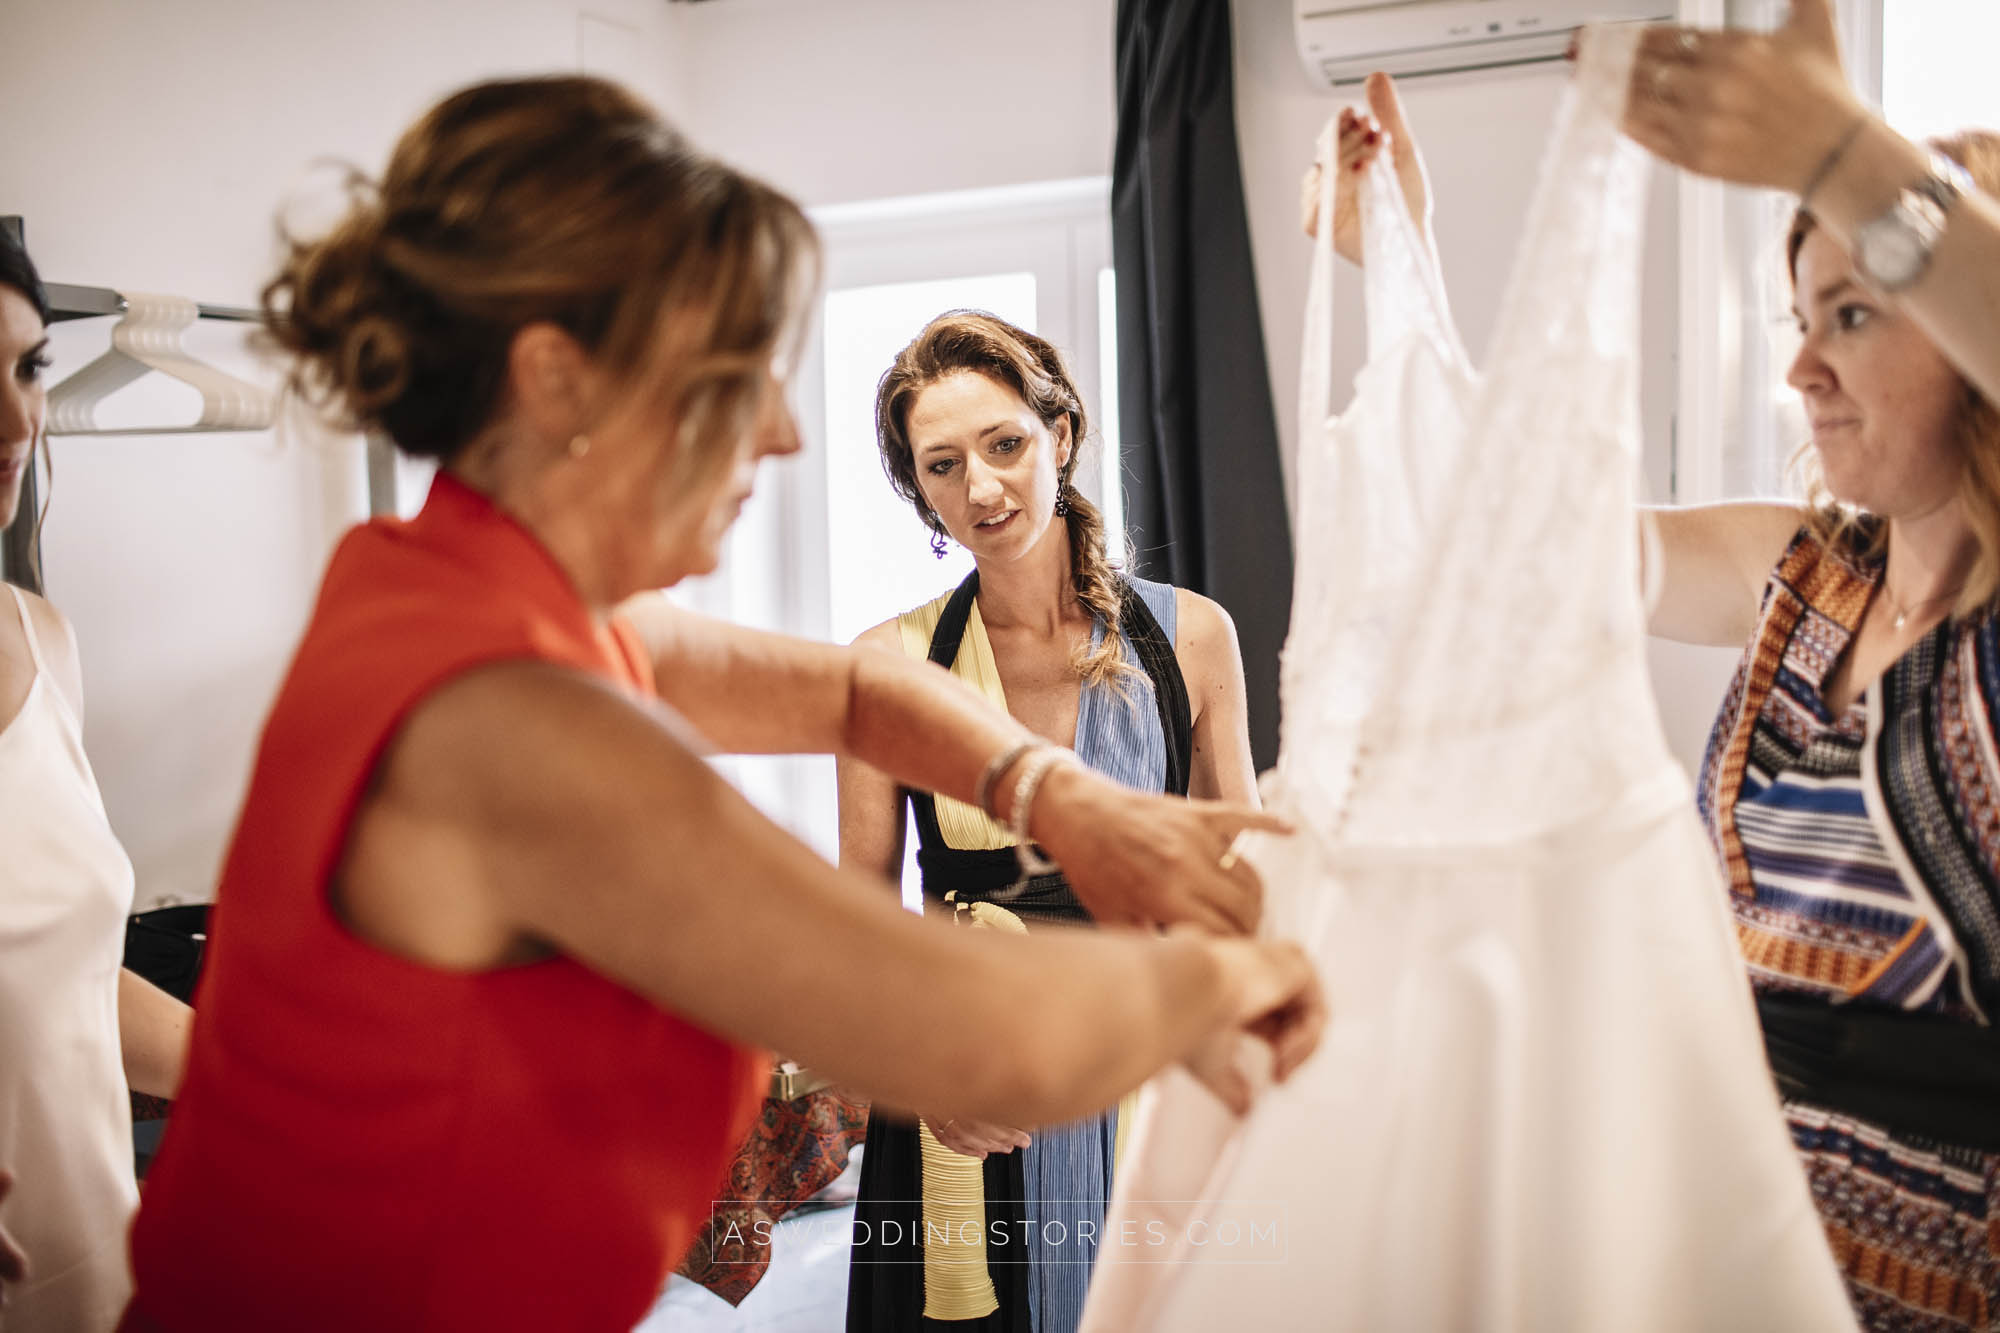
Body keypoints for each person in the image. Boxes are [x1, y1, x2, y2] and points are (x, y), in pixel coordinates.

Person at [117, 76, 1324, 1333]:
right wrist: (1232, 984)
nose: (784, 432)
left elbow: (861, 694)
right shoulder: (509, 722)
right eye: (738, 373)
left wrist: (1054, 795)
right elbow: (941, 1029)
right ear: (558, 380)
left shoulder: (474, 591)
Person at [1321, 8, 2000, 1324]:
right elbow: (1519, 521)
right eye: (1800, 319)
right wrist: (1401, 264)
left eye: (1853, 315)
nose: (1803, 367)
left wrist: (1841, 152)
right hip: (1734, 1247)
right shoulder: (1805, 574)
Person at [840, 311, 1264, 1333]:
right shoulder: (887, 665)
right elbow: (856, 917)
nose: (981, 488)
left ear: (1060, 434)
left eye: (1005, 444)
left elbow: (1245, 881)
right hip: (969, 1089)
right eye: (941, 464)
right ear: (917, 488)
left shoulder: (1192, 638)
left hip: (1153, 1070)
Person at [0, 230, 193, 1331]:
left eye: (28, 366)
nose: (19, 421)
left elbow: (63, 971)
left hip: (100, 1271)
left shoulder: (45, 639)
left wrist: (268, 1080)